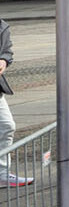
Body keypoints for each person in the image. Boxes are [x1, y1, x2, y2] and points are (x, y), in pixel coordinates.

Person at [0, 17, 33, 187]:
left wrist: (3, 61)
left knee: (6, 126)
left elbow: (7, 51)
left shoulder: (2, 25)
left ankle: (2, 173)